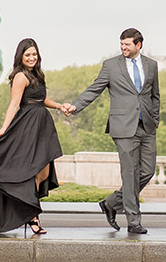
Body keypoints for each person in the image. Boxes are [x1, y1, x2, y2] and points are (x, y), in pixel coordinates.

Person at [62, 28, 159, 234]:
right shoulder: (111, 66)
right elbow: (94, 88)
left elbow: (154, 96)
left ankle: (111, 203)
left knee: (147, 171)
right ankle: (134, 222)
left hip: (147, 127)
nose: (123, 47)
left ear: (138, 45)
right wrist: (76, 106)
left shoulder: (152, 65)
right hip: (123, 127)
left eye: (127, 44)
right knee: (130, 173)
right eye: (121, 44)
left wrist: (155, 120)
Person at [0, 37, 63, 235]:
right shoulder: (20, 76)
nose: (32, 58)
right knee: (29, 171)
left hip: (41, 127)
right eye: (28, 55)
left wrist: (60, 106)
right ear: (21, 56)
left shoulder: (36, 74)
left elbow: (40, 99)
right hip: (27, 127)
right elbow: (14, 104)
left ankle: (28, 209)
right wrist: (3, 128)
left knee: (43, 172)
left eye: (34, 54)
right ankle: (32, 215)